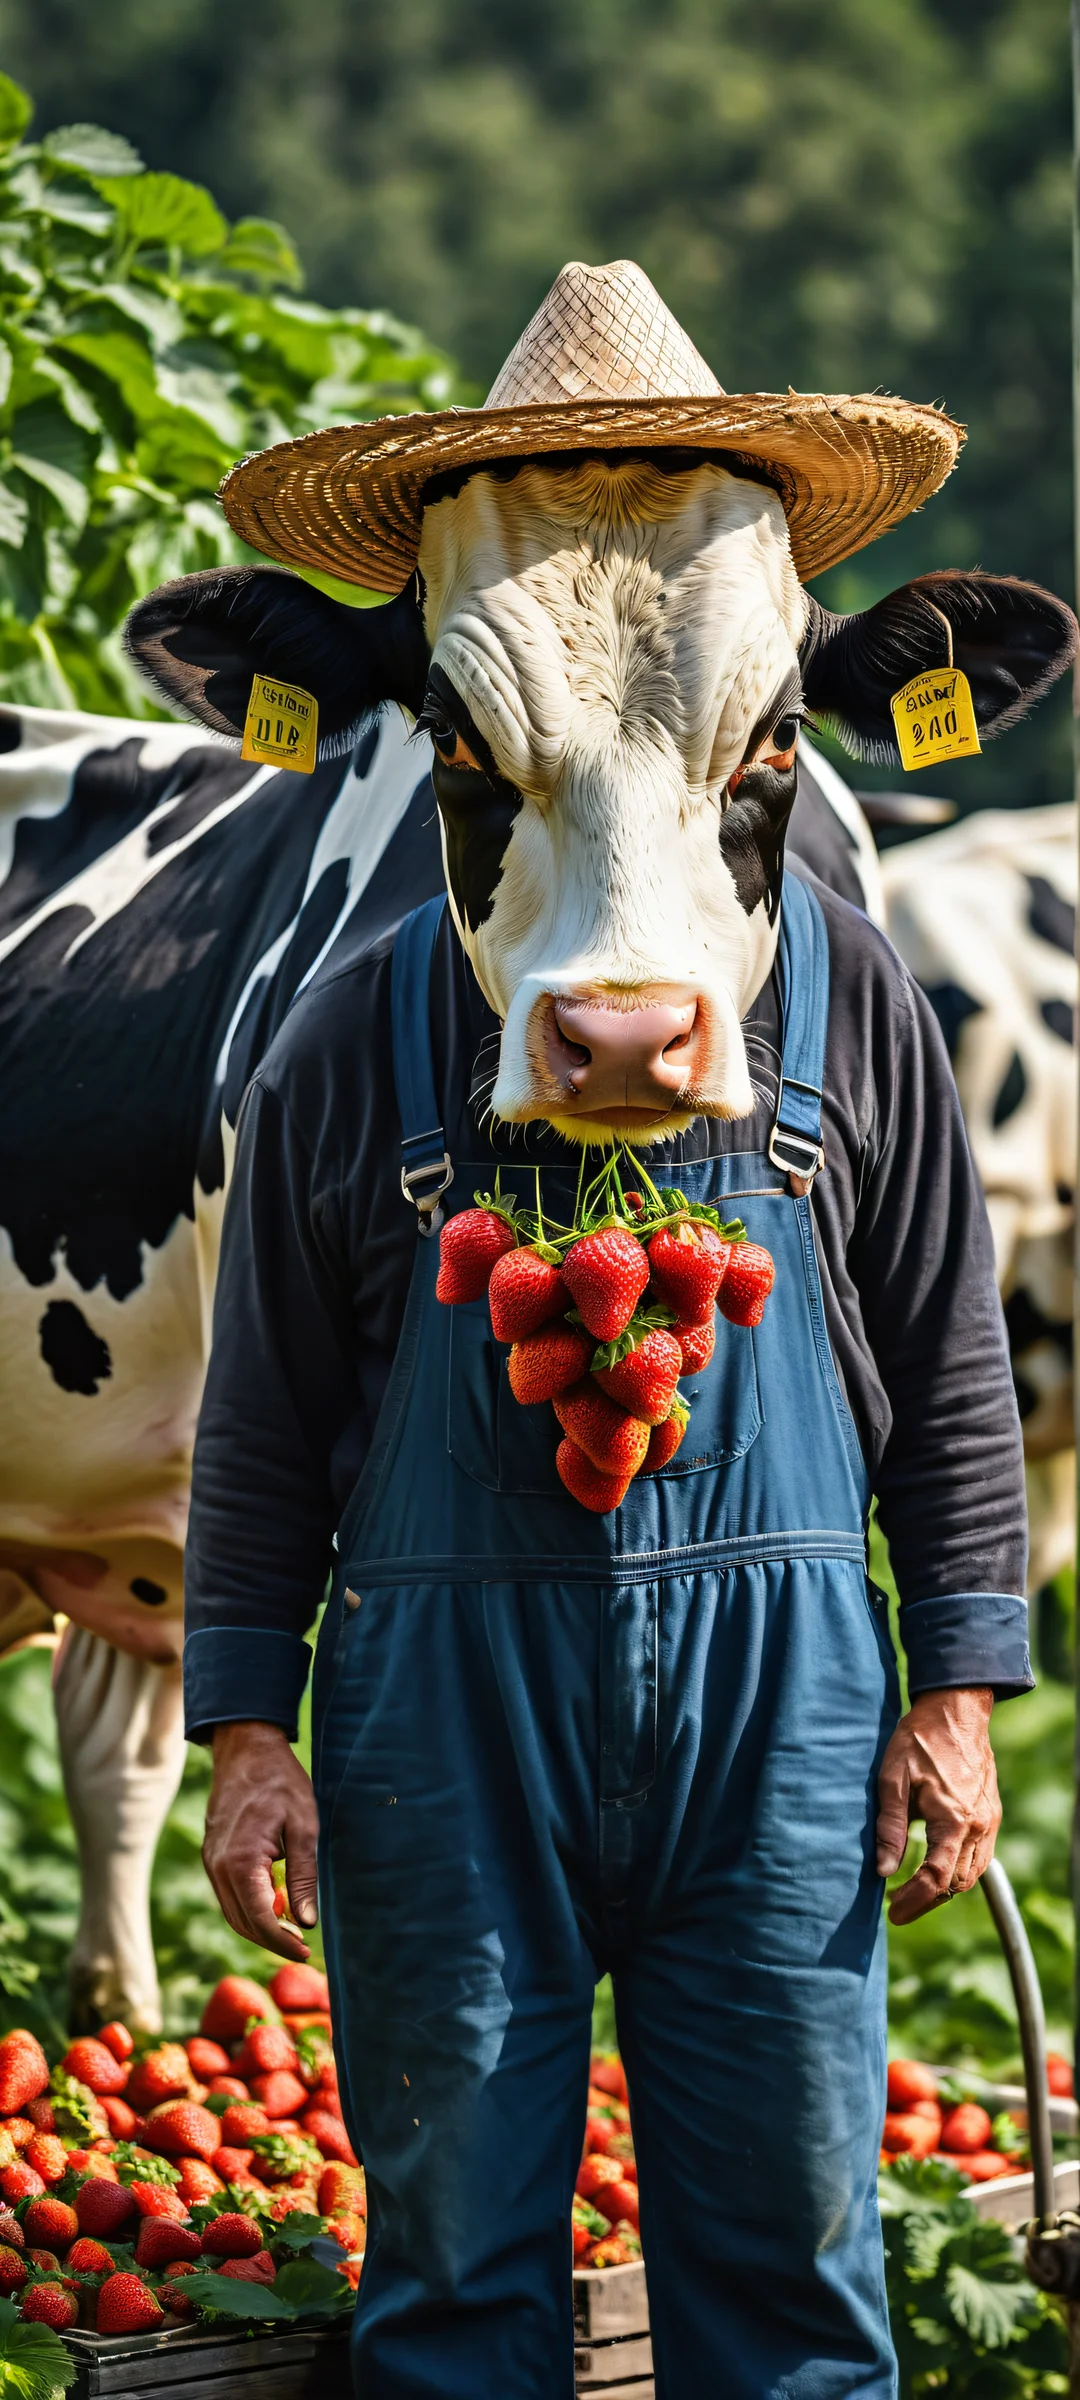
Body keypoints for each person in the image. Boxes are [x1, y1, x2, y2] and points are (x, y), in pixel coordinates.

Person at [135, 263, 1065, 2399]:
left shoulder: (848, 989)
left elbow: (942, 1357)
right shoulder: (355, 1039)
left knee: (796, 2268)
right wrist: (251, 1722)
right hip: (441, 1709)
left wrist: (961, 1688)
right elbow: (267, 1406)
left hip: (787, 1712)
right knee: (453, 2284)